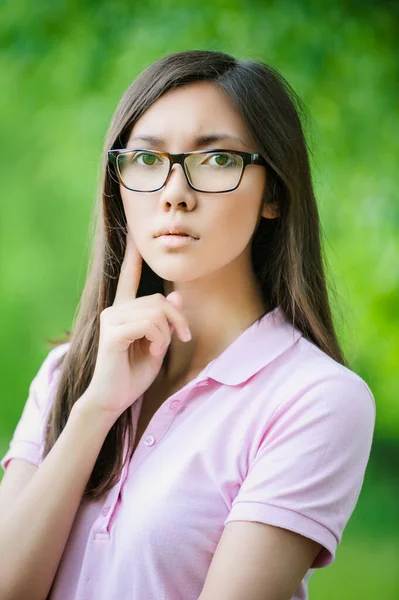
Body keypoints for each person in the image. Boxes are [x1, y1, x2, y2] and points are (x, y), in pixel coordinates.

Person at [0, 50, 375, 600]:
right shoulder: (68, 374)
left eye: (218, 159)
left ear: (273, 191)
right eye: (148, 161)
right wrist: (96, 410)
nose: (174, 192)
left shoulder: (314, 399)